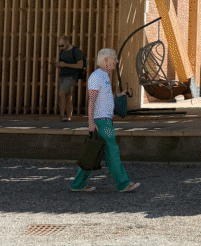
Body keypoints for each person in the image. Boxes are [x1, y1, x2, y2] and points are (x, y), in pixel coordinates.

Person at [70, 48, 139, 193]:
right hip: (102, 122)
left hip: (103, 121)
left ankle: (78, 184)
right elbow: (92, 101)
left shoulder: (104, 77)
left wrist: (120, 95)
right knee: (112, 151)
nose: (116, 61)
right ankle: (123, 183)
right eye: (114, 58)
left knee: (92, 153)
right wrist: (90, 122)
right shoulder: (97, 77)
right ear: (106, 60)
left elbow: (104, 98)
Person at [55, 36, 86, 122]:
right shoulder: (62, 52)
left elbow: (80, 65)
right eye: (59, 46)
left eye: (62, 45)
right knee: (68, 97)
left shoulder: (76, 51)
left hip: (71, 76)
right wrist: (59, 65)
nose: (60, 47)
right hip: (62, 76)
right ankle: (69, 116)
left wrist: (65, 64)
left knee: (61, 92)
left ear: (67, 42)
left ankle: (62, 115)